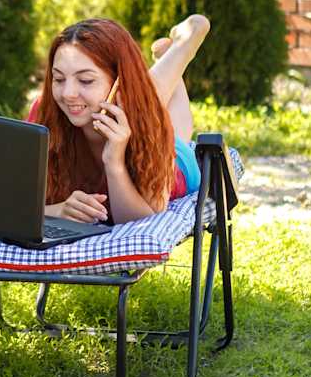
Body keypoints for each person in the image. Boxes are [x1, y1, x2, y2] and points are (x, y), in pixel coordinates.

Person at [28, 16, 210, 224]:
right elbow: (12, 199)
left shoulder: (147, 124)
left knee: (171, 128)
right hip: (137, 108)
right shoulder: (46, 111)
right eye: (59, 79)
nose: (68, 93)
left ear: (118, 82)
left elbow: (143, 224)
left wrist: (114, 162)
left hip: (173, 156)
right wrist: (56, 210)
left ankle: (188, 38)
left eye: (86, 80)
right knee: (148, 97)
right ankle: (176, 48)